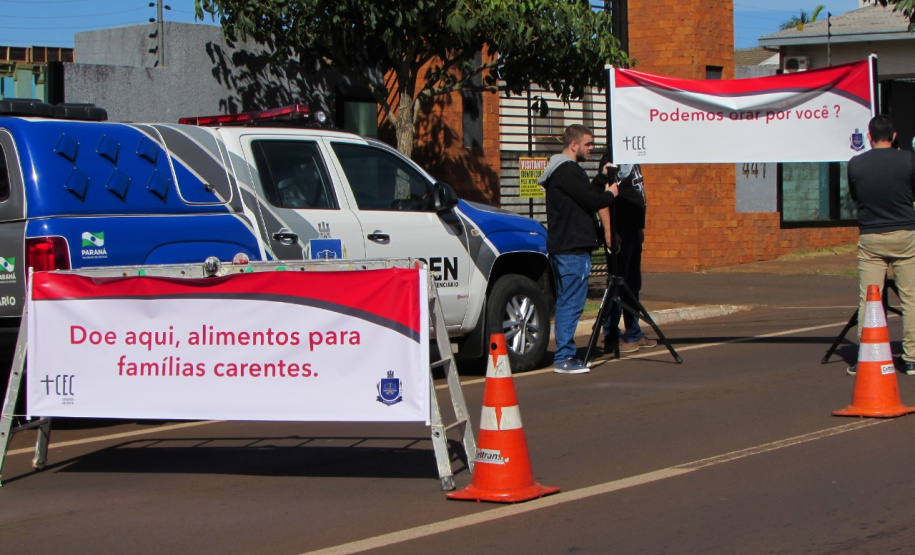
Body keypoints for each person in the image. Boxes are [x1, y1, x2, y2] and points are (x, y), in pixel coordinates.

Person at [538, 124, 618, 374]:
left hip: (566, 247)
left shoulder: (563, 171)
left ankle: (565, 354)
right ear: (574, 145)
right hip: (572, 248)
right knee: (571, 303)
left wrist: (600, 178)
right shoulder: (567, 169)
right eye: (588, 144)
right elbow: (593, 200)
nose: (591, 149)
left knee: (567, 302)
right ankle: (564, 357)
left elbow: (583, 193)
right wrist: (611, 194)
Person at [847, 114, 915, 376]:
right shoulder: (909, 159)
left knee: (870, 298)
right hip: (904, 233)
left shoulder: (856, 163)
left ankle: (868, 355)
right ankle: (910, 358)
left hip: (871, 235)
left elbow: (856, 196)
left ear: (869, 136)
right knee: (910, 298)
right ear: (894, 136)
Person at [592, 159, 658, 353]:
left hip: (633, 230)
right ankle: (612, 335)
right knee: (618, 285)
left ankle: (633, 333)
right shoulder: (613, 159)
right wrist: (609, 230)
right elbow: (603, 197)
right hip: (620, 232)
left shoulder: (633, 156)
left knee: (632, 285)